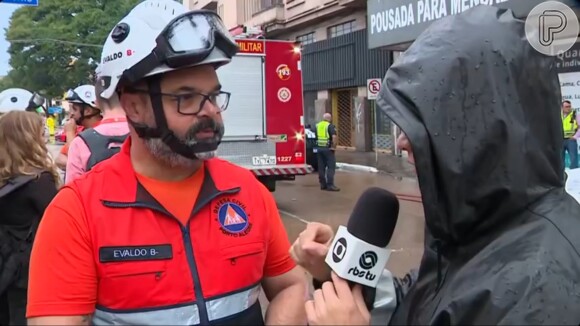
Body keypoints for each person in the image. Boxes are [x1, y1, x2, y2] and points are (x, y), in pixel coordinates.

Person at [291, 6, 580, 325]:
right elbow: (427, 302)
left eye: (423, 124)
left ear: (479, 128)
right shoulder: (474, 223)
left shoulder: (544, 289)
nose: (401, 142)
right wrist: (338, 276)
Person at [26, 1, 307, 325]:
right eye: (186, 97)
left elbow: (291, 286)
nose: (211, 112)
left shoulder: (247, 192)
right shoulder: (76, 214)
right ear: (134, 107)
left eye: (213, 95)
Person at [0, 111, 59, 325]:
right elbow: (61, 226)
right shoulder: (38, 182)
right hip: (28, 272)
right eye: (41, 132)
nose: (44, 137)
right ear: (27, 138)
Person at [65, 69, 129, 182]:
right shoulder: (146, 133)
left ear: (97, 103)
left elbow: (72, 190)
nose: (71, 113)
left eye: (74, 108)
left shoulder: (81, 143)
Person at [55, 85, 102, 171]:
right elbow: (59, 159)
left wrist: (69, 134)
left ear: (88, 111)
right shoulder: (80, 130)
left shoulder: (102, 131)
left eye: (74, 109)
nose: (71, 113)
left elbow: (74, 158)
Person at [315, 113, 339, 191]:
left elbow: (315, 136)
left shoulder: (317, 125)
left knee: (321, 167)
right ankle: (330, 185)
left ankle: (323, 184)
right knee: (331, 167)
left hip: (319, 148)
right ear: (330, 118)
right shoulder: (330, 126)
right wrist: (333, 147)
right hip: (328, 149)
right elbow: (334, 137)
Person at [561, 100, 578, 169]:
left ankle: (574, 174)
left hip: (571, 140)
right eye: (566, 107)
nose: (568, 108)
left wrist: (575, 136)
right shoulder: (558, 115)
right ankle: (561, 175)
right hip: (560, 140)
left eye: (569, 106)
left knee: (574, 158)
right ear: (562, 107)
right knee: (560, 159)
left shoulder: (575, 115)